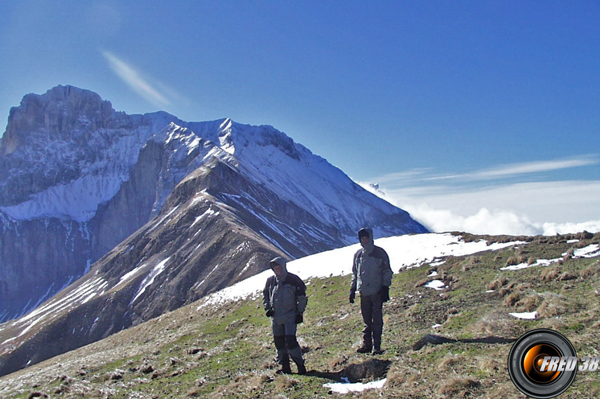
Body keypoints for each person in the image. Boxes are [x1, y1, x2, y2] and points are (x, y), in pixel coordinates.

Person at [349, 227, 392, 355]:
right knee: (367, 320)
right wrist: (353, 288)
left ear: (370, 237)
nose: (364, 240)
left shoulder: (380, 253)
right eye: (362, 238)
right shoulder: (358, 255)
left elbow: (387, 271)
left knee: (377, 320)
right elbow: (355, 273)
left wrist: (385, 287)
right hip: (364, 293)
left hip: (377, 292)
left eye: (366, 237)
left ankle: (377, 346)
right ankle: (367, 344)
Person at [263, 256, 308, 374]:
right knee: (279, 343)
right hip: (276, 318)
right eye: (275, 268)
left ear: (283, 267)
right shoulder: (271, 281)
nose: (277, 270)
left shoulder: (293, 280)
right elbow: (266, 295)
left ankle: (300, 366)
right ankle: (285, 367)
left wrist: (299, 312)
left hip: (290, 316)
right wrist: (268, 308)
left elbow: (302, 297)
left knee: (291, 342)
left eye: (279, 267)